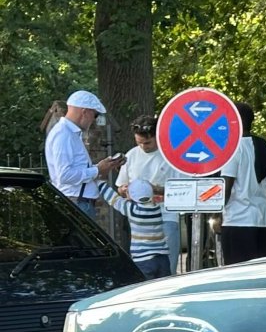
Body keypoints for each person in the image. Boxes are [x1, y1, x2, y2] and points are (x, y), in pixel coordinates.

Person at [117, 116, 182, 273]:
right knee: (142, 269)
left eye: (147, 143)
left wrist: (154, 189)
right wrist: (125, 190)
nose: (143, 147)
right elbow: (120, 186)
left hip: (165, 216)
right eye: (139, 143)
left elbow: (182, 189)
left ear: (157, 136)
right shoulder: (132, 155)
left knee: (167, 268)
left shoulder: (171, 155)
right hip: (139, 221)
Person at [44, 90, 122, 219]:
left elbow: (74, 170)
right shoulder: (64, 134)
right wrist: (97, 170)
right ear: (85, 112)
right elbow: (64, 176)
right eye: (95, 115)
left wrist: (102, 167)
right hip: (76, 204)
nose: (93, 120)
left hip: (78, 202)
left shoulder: (68, 133)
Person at [218, 102, 266, 264]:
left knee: (237, 275)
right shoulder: (265, 146)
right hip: (263, 220)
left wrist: (217, 213)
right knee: (260, 273)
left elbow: (226, 188)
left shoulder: (232, 148)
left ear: (235, 120)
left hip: (237, 220)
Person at [98, 179, 170, 279]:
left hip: (144, 260)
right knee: (162, 288)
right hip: (163, 259)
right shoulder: (156, 208)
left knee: (143, 289)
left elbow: (114, 199)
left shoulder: (133, 210)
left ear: (131, 196)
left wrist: (100, 183)